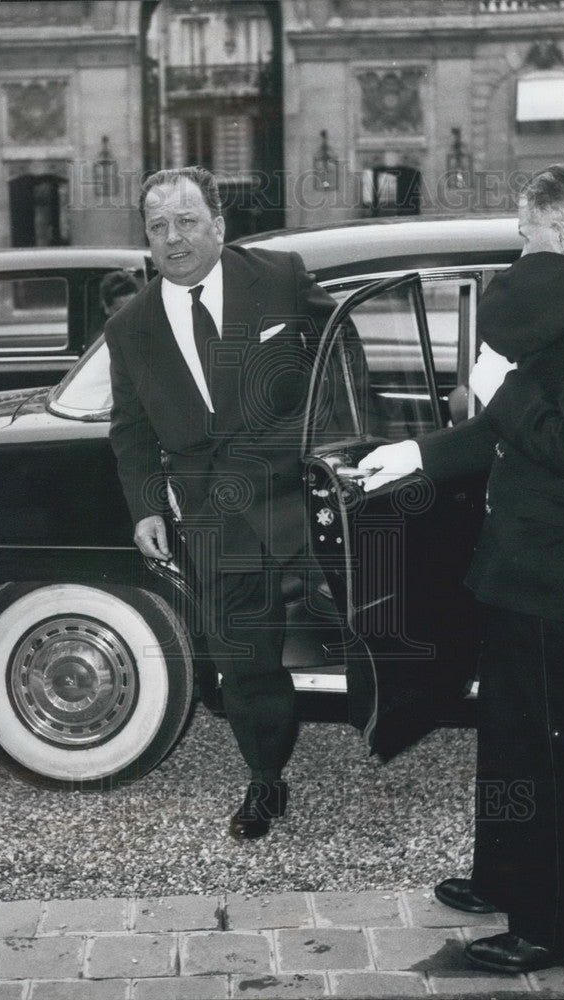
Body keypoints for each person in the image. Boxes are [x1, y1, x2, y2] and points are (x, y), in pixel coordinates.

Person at [358, 159, 564, 973]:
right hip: (527, 572)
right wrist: (413, 453)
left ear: (557, 231)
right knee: (513, 741)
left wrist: (497, 382)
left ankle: (560, 929)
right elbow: (510, 432)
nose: (520, 251)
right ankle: (508, 875)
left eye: (523, 235)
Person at [105, 166, 337, 840]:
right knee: (244, 660)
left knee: (376, 622)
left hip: (304, 496)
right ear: (146, 238)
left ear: (218, 224)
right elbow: (130, 428)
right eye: (157, 227)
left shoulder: (280, 276)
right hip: (213, 518)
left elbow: (338, 354)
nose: (172, 238)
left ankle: (399, 723)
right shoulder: (131, 325)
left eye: (185, 221)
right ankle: (266, 780)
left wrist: (327, 446)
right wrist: (147, 506)